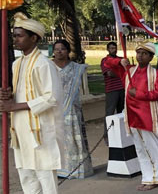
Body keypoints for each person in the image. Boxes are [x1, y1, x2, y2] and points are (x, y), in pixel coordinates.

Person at [0, 13, 63, 193]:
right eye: (14, 35)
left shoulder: (44, 64)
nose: (15, 39)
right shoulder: (17, 64)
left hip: (40, 131)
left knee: (45, 177)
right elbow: (21, 93)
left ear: (34, 38)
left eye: (20, 35)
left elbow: (51, 97)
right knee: (27, 177)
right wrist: (8, 96)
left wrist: (14, 106)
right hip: (20, 129)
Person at [105, 42, 158, 190]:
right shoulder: (129, 71)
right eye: (138, 53)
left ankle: (156, 178)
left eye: (144, 53)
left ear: (151, 57)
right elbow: (107, 63)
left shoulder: (155, 74)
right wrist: (119, 61)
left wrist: (139, 94)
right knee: (141, 150)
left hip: (147, 118)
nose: (140, 56)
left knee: (151, 149)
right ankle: (148, 177)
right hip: (132, 117)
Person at [52, 40, 93, 179]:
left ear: (68, 51)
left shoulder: (76, 68)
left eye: (62, 49)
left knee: (74, 139)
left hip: (72, 110)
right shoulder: (48, 67)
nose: (59, 51)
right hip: (53, 110)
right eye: (56, 49)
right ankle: (58, 170)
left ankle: (77, 170)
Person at [101, 41, 125, 141]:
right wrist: (121, 72)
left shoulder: (121, 59)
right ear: (108, 49)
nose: (113, 50)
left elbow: (127, 70)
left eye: (114, 48)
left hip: (122, 89)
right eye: (111, 48)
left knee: (122, 112)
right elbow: (109, 73)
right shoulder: (105, 61)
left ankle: (122, 133)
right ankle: (107, 135)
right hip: (111, 90)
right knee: (110, 112)